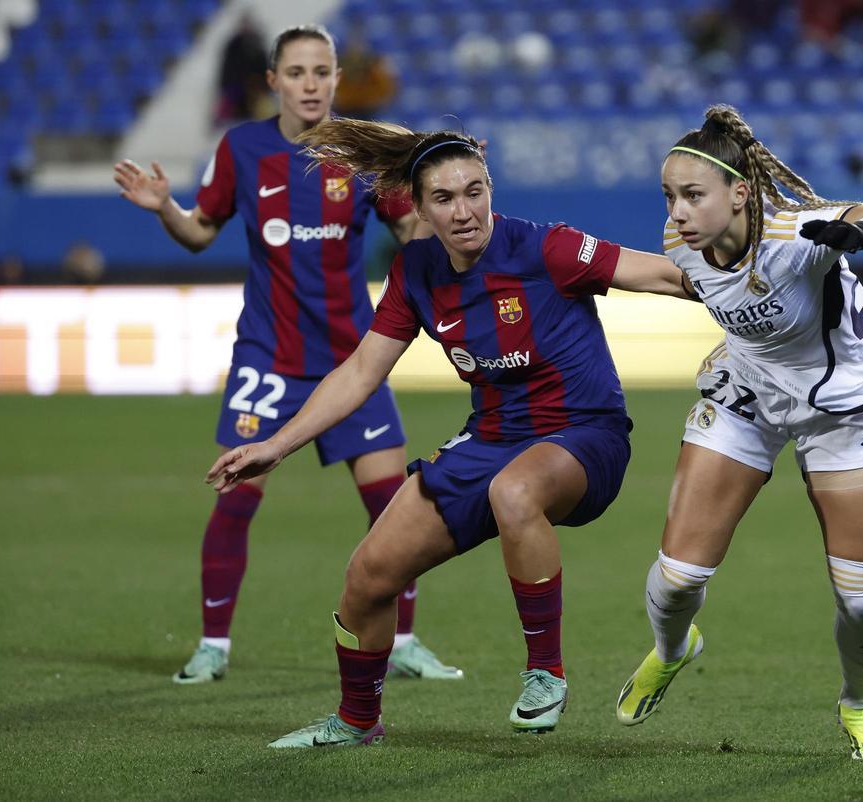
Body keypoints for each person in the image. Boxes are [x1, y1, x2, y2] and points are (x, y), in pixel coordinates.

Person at [204, 119, 692, 747]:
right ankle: (357, 720)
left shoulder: (549, 249)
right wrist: (277, 444)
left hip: (583, 435)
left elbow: (665, 276)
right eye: (444, 198)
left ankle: (545, 672)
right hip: (489, 439)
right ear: (417, 207)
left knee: (514, 493)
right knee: (368, 576)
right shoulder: (416, 271)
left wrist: (755, 290)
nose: (464, 211)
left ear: (491, 189)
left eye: (474, 191)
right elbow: (359, 372)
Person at [113, 24, 460, 686]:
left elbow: (411, 231)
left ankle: (406, 640)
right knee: (236, 498)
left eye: (321, 71)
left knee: (396, 508)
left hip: (352, 362)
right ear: (273, 81)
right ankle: (213, 645)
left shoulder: (364, 149)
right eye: (296, 72)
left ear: (336, 78)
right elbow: (198, 233)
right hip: (267, 359)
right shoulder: (242, 148)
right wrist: (165, 208)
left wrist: (436, 204)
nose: (310, 84)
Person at [614, 105, 863, 762]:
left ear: (740, 193)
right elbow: (694, 285)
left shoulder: (795, 233)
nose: (678, 212)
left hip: (841, 415)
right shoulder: (681, 244)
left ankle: (859, 702)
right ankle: (673, 651)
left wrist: (861, 228)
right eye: (669, 196)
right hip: (746, 398)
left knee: (861, 602)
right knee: (676, 579)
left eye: (693, 195)